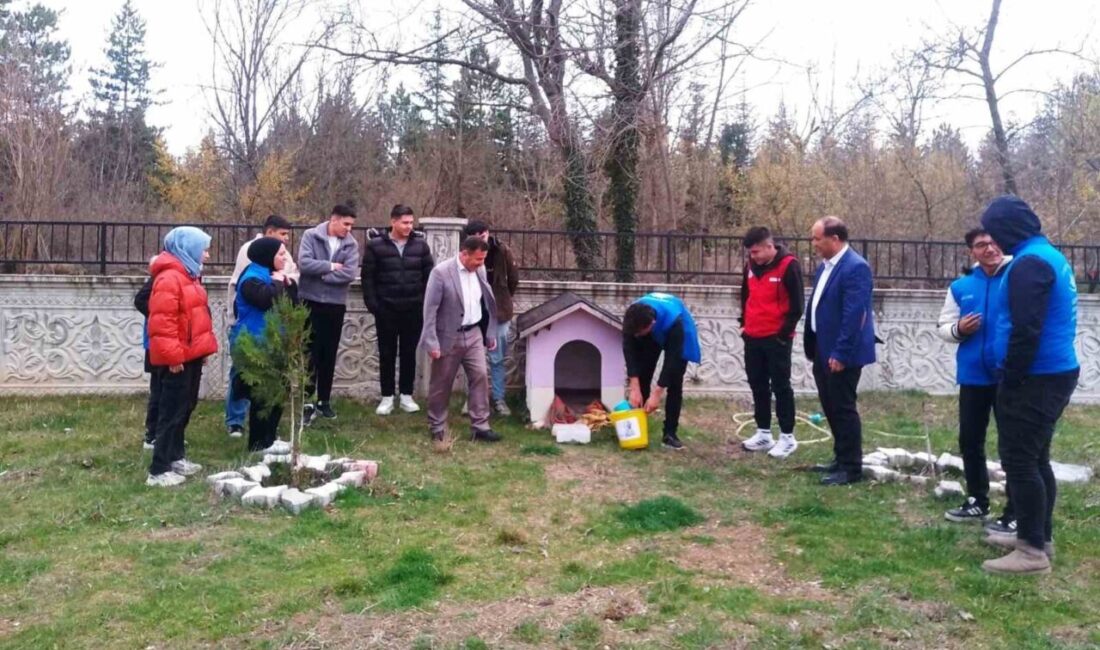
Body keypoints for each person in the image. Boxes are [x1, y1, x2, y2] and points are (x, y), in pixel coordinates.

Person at [979, 195, 1078, 575]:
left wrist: (1012, 376)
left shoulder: (1029, 264)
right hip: (1052, 372)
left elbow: (1026, 329)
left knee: (1020, 461)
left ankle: (1032, 552)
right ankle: (1038, 536)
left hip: (1036, 377)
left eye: (995, 229)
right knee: (1036, 459)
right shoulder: (1047, 255)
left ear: (1007, 228)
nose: (993, 238)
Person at [936, 228, 1016, 534]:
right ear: (972, 251)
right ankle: (978, 500)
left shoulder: (1015, 277)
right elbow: (943, 327)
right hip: (972, 375)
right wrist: (959, 328)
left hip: (1007, 376)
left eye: (994, 243)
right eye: (981, 245)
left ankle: (1014, 509)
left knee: (1011, 444)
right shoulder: (961, 286)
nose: (989, 249)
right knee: (970, 440)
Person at [804, 216, 876, 486]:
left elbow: (854, 315)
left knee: (843, 407)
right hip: (822, 349)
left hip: (841, 353)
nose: (814, 243)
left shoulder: (856, 267)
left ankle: (851, 467)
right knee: (829, 405)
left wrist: (841, 353)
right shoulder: (826, 267)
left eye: (817, 238)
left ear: (835, 239)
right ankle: (839, 457)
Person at [145, 227, 218, 487]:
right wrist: (173, 357)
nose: (207, 255)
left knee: (185, 408)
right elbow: (162, 324)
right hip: (176, 360)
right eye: (203, 249)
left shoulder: (189, 276)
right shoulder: (169, 278)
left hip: (191, 356)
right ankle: (159, 469)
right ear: (188, 249)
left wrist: (201, 350)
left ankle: (176, 456)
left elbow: (196, 318)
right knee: (170, 411)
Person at [419, 236, 500, 451]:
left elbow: (487, 304)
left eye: (483, 259)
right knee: (442, 382)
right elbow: (430, 309)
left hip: (473, 333)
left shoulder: (480, 271)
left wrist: (489, 333)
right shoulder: (441, 273)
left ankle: (480, 426)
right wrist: (431, 341)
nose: (481, 264)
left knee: (481, 376)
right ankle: (437, 425)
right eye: (477, 259)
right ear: (464, 254)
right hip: (448, 336)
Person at [225, 215, 299, 438]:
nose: (285, 259)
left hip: (273, 340)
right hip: (255, 341)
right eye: (280, 255)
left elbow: (291, 302)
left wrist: (287, 282)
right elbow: (266, 300)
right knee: (257, 392)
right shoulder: (252, 278)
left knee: (272, 391)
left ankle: (269, 436)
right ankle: (254, 436)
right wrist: (278, 281)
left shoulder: (270, 274)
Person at [738, 226, 804, 458]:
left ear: (770, 246)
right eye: (750, 253)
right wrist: (743, 324)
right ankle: (763, 432)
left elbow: (797, 306)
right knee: (758, 384)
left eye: (756, 252)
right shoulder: (749, 267)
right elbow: (745, 296)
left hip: (777, 339)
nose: (753, 256)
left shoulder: (789, 266)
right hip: (752, 336)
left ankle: (787, 437)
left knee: (781, 386)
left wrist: (783, 334)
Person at [361, 204, 434, 416]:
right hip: (386, 309)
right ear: (393, 222)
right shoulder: (376, 246)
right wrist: (374, 306)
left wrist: (423, 304)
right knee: (387, 353)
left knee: (409, 353)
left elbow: (430, 277)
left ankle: (406, 395)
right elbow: (368, 278)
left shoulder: (421, 246)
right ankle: (386, 397)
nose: (409, 226)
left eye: (411, 222)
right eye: (405, 222)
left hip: (413, 309)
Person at [298, 204, 360, 424]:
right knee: (309, 352)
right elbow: (305, 264)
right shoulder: (311, 236)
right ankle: (306, 401)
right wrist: (332, 266)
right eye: (346, 224)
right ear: (334, 220)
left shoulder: (351, 244)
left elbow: (350, 273)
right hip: (310, 301)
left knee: (329, 353)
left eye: (352, 225)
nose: (349, 229)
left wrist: (324, 274)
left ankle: (324, 401)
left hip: (334, 305)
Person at [622, 292, 702, 451]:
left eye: (640, 333)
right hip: (651, 330)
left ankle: (670, 434)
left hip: (675, 328)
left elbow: (672, 361)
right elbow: (629, 350)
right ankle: (637, 431)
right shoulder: (632, 318)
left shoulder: (676, 324)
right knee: (643, 373)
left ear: (652, 324)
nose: (636, 336)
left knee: (675, 382)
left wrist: (657, 393)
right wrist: (634, 386)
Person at [463, 220, 520, 416]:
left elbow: (513, 280)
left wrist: (501, 302)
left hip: (498, 314)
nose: (481, 240)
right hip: (473, 315)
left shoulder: (502, 251)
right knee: (471, 359)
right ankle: (472, 398)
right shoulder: (464, 253)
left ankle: (498, 399)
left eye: (483, 235)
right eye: (476, 236)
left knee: (497, 359)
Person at [134, 267, 157, 450]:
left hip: (163, 341)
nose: (206, 255)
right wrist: (160, 315)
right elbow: (141, 300)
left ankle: (160, 434)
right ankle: (152, 435)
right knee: (159, 390)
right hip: (156, 343)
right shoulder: (161, 276)